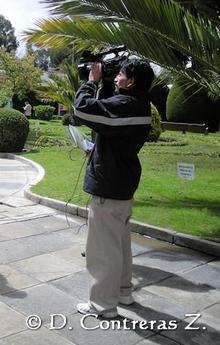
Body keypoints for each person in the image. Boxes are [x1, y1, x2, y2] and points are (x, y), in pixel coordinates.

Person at [73, 59, 155, 318]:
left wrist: (91, 82)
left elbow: (83, 110)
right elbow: (107, 119)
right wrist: (106, 84)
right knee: (119, 244)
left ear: (130, 81)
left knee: (102, 250)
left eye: (120, 74)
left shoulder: (125, 106)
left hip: (109, 186)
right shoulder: (138, 105)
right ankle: (122, 293)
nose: (116, 76)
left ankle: (102, 305)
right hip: (123, 182)